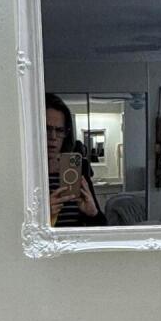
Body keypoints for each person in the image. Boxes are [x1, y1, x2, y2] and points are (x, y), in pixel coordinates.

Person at [46, 93, 105, 226]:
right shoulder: (26, 173)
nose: (53, 136)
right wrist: (42, 217)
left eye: (60, 130)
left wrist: (93, 213)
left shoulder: (79, 168)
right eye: (47, 129)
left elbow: (102, 229)